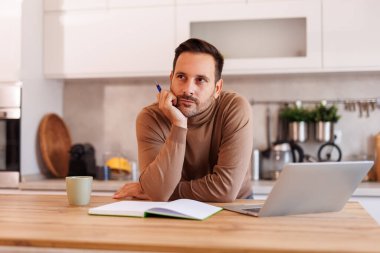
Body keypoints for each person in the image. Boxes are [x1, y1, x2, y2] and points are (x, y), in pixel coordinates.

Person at [113, 38, 253, 202]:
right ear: (171, 78)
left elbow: (225, 190)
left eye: (200, 80)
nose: (188, 89)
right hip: (174, 210)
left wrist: (161, 191)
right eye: (181, 77)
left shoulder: (234, 108)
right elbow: (158, 193)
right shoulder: (150, 118)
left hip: (234, 207)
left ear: (217, 88)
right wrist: (179, 124)